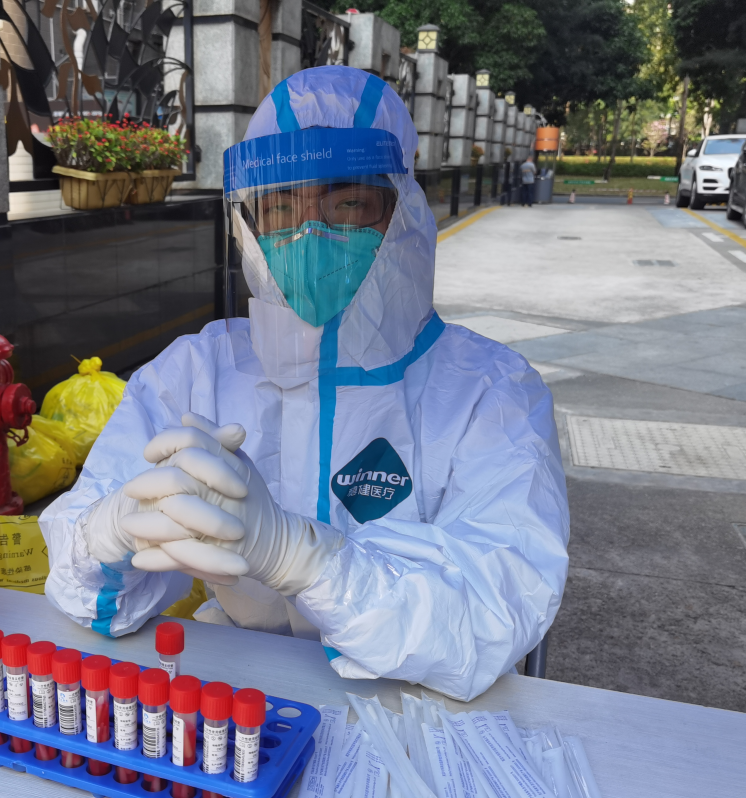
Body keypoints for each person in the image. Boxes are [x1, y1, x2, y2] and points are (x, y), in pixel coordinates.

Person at [41, 67, 569, 702]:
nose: (309, 234)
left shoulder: (491, 394)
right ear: (251, 223)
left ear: (402, 211)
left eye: (347, 204)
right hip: (242, 697)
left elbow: (495, 611)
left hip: (412, 713)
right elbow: (84, 596)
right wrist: (112, 532)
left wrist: (305, 560)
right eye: (281, 207)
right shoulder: (197, 373)